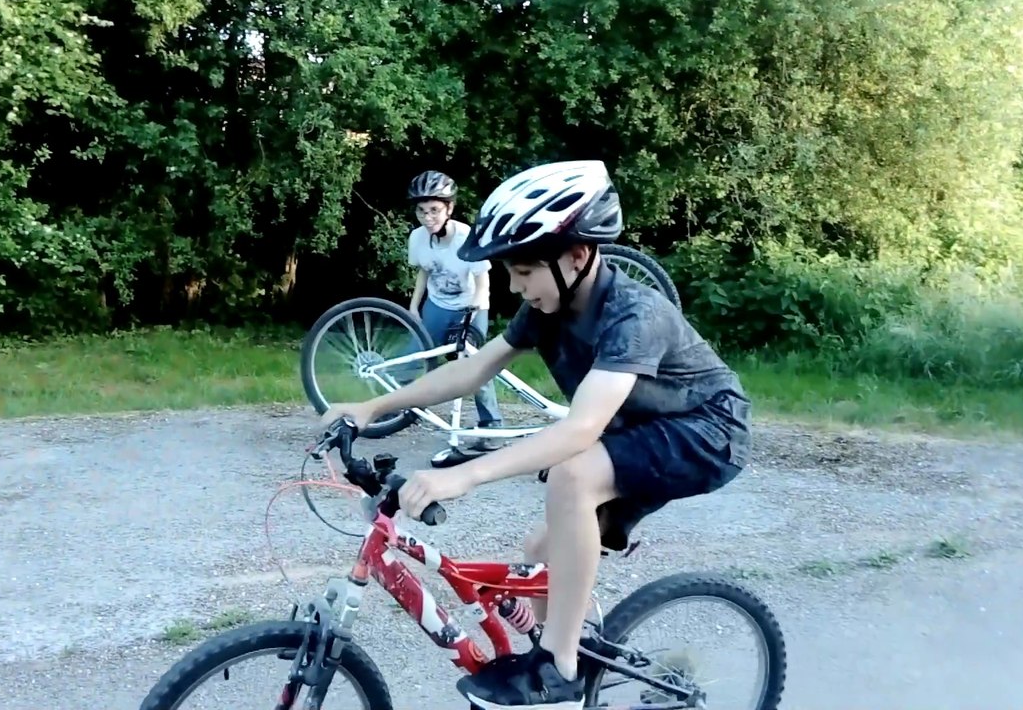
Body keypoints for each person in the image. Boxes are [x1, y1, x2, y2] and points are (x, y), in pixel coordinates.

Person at [318, 159, 752, 709]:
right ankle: (560, 664)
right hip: (639, 431)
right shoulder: (547, 306)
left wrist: (463, 475)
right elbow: (474, 369)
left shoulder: (635, 313)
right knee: (541, 553)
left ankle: (559, 668)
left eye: (524, 271)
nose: (514, 285)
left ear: (577, 255)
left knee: (573, 475)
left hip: (708, 430)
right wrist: (372, 406)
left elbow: (581, 429)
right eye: (509, 272)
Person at [404, 170, 504, 450]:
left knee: (474, 365)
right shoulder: (418, 237)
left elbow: (483, 281)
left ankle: (492, 426)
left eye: (434, 210)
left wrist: (472, 313)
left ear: (449, 208)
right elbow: (424, 272)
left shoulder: (466, 237)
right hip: (437, 304)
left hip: (471, 305)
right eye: (422, 211)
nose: (428, 218)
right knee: (413, 356)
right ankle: (395, 411)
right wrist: (414, 306)